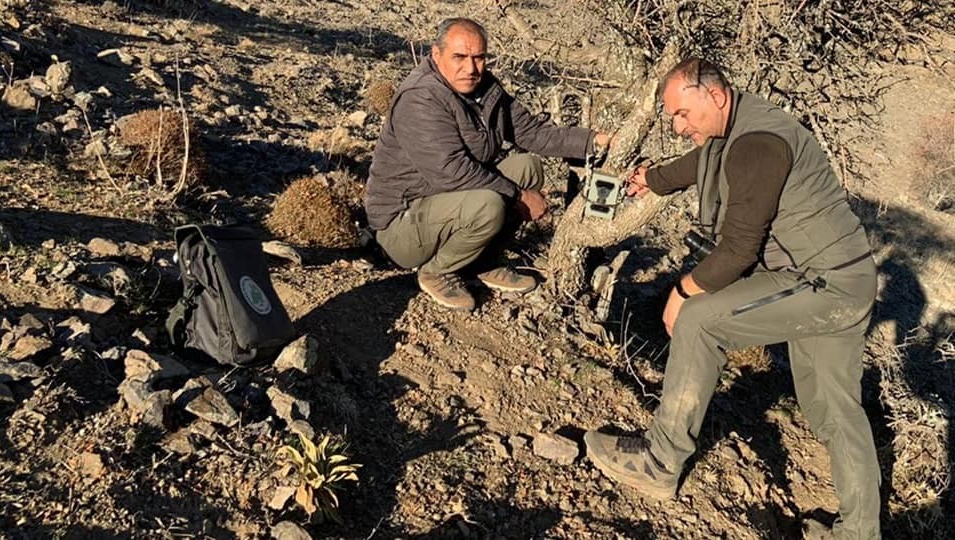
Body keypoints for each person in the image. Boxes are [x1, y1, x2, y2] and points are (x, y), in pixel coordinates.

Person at [583, 57, 880, 539]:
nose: (678, 127)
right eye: (672, 117)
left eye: (682, 114)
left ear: (715, 96)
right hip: (849, 279)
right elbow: (704, 160)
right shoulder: (741, 122)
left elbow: (739, 250)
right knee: (835, 409)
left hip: (820, 283)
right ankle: (860, 533)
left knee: (700, 319)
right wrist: (653, 180)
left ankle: (660, 462)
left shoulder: (758, 144)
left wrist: (681, 290)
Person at [365, 17, 611, 311]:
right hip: (403, 223)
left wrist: (594, 141)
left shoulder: (485, 88)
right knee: (489, 204)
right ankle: (438, 271)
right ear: (436, 54)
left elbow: (531, 132)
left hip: (445, 204)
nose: (470, 68)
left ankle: (480, 263)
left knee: (527, 168)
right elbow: (451, 172)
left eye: (479, 57)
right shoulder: (421, 98)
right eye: (459, 57)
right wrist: (518, 196)